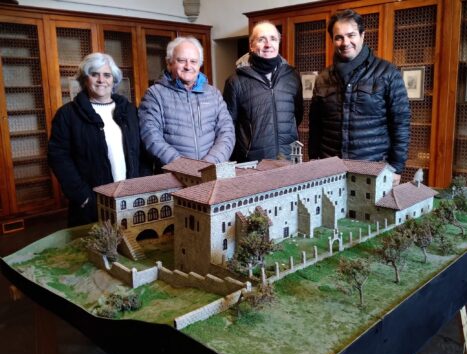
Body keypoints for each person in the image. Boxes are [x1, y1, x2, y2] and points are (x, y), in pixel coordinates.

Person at [48, 52, 151, 227]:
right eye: (94, 74)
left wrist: (142, 185)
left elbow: (144, 151)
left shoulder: (129, 111)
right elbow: (59, 158)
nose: (101, 80)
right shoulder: (67, 114)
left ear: (114, 80)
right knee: (98, 251)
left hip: (131, 199)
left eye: (107, 75)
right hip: (92, 204)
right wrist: (83, 198)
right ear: (85, 79)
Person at [309, 9, 410, 185]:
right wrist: (313, 160)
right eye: (338, 37)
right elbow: (315, 125)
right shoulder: (323, 78)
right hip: (330, 170)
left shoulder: (387, 73)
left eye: (351, 35)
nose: (345, 42)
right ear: (332, 40)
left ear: (362, 35)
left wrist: (396, 167)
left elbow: (401, 124)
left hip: (372, 171)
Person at [139, 36, 235, 169]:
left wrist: (209, 165)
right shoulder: (154, 94)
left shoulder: (213, 94)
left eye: (193, 61)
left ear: (199, 65)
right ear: (170, 63)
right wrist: (184, 167)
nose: (188, 66)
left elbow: (227, 132)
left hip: (212, 173)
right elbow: (151, 137)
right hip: (174, 176)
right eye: (182, 60)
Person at [223, 21, 303, 163]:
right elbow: (229, 126)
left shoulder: (292, 76)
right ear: (251, 46)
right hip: (252, 163)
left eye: (273, 39)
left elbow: (297, 115)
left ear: (278, 43)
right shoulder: (235, 81)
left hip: (288, 160)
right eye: (261, 39)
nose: (268, 44)